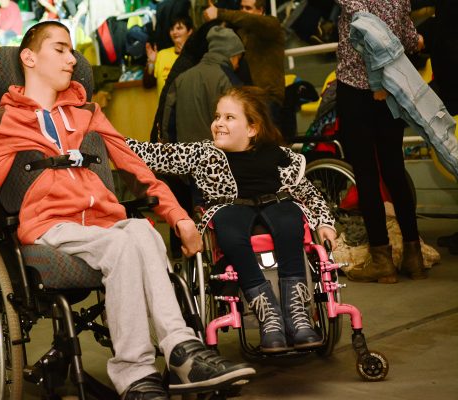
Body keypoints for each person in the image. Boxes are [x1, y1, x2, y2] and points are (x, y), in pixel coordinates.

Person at [0, 21, 255, 399]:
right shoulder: (3, 123)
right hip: (51, 227)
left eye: (71, 50)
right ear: (29, 58)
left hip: (103, 223)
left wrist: (178, 216)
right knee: (123, 244)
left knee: (142, 231)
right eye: (60, 49)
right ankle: (135, 374)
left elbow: (137, 171)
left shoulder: (88, 113)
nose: (72, 59)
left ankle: (180, 350)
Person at [128, 86, 337, 352]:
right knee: (228, 229)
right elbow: (151, 154)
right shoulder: (203, 154)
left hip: (278, 205)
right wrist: (103, 135)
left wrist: (325, 223)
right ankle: (269, 316)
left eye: (229, 118)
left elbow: (309, 194)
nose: (218, 123)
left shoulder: (281, 157)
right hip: (229, 209)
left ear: (252, 128)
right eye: (217, 117)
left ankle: (298, 315)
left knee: (290, 220)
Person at [335, 0, 427, 283]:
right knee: (394, 169)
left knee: (366, 175)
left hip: (355, 90)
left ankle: (382, 260)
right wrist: (419, 40)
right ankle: (414, 256)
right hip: (391, 88)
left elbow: (365, 30)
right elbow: (409, 39)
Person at [203, 0, 286, 129]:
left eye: (248, 8)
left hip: (268, 98)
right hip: (247, 97)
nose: (243, 11)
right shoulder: (241, 32)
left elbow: (251, 20)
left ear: (260, 10)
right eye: (241, 7)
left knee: (266, 139)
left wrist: (219, 13)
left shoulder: (271, 24)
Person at [163, 25, 244, 143]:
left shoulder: (181, 79)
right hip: (218, 152)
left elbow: (168, 124)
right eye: (238, 58)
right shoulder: (229, 80)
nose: (237, 65)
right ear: (231, 55)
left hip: (185, 152)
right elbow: (240, 127)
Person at [143, 15, 194, 97]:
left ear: (190, 31)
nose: (174, 32)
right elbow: (148, 84)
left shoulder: (195, 55)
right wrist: (151, 63)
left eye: (179, 28)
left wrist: (185, 56)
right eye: (172, 29)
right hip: (165, 105)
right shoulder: (162, 54)